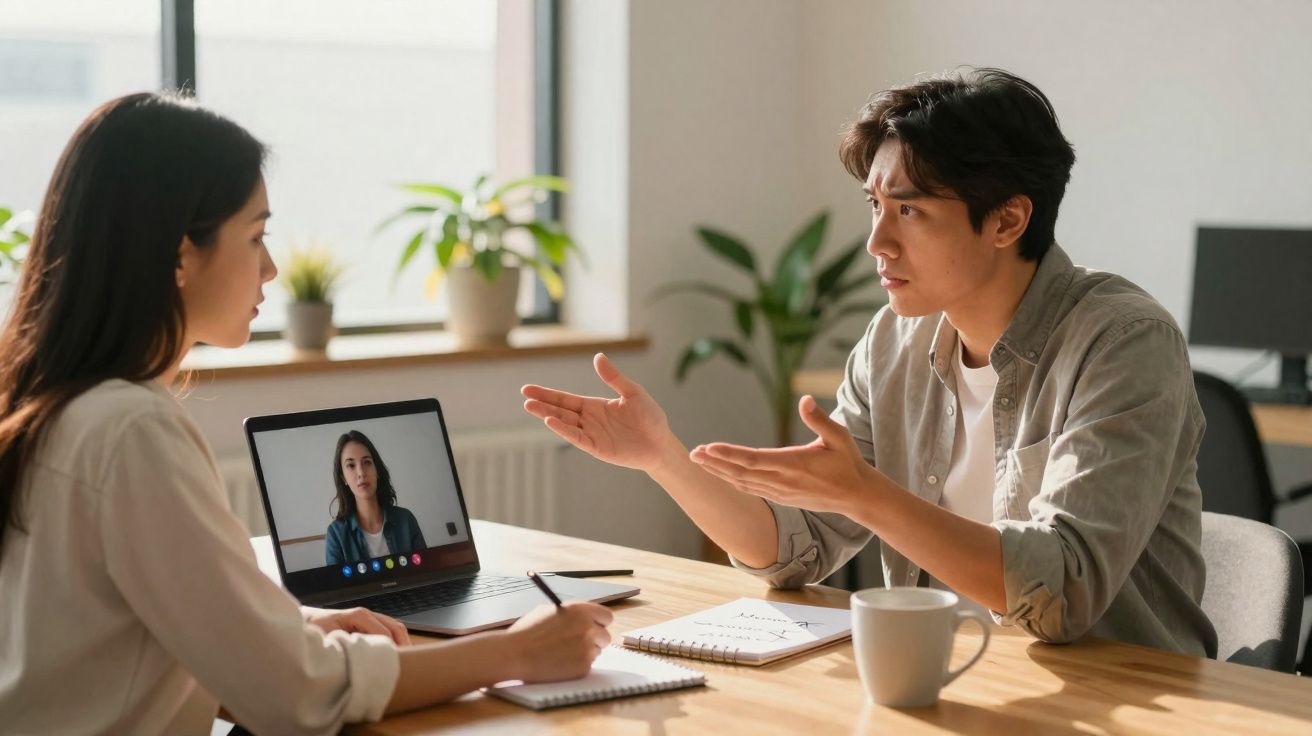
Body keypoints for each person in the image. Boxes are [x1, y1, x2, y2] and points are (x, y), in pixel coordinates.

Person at [523, 68, 1217, 658]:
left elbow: (1062, 593)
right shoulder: (896, 341)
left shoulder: (1124, 340)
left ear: (1007, 222)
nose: (876, 243)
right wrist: (663, 457)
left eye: (909, 212)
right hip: (944, 678)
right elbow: (795, 550)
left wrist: (866, 494)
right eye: (874, 207)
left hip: (1121, 698)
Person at [0, 93, 612, 735]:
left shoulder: (50, 406)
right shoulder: (129, 430)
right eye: (256, 235)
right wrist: (517, 650)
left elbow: (130, 627)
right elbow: (296, 696)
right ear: (180, 255)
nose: (270, 267)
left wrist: (289, 626)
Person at [325, 430, 428, 565]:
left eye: (367, 462)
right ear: (343, 478)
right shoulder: (336, 534)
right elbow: (337, 585)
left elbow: (426, 573)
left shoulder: (406, 519)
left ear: (377, 470)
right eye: (351, 465)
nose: (361, 473)